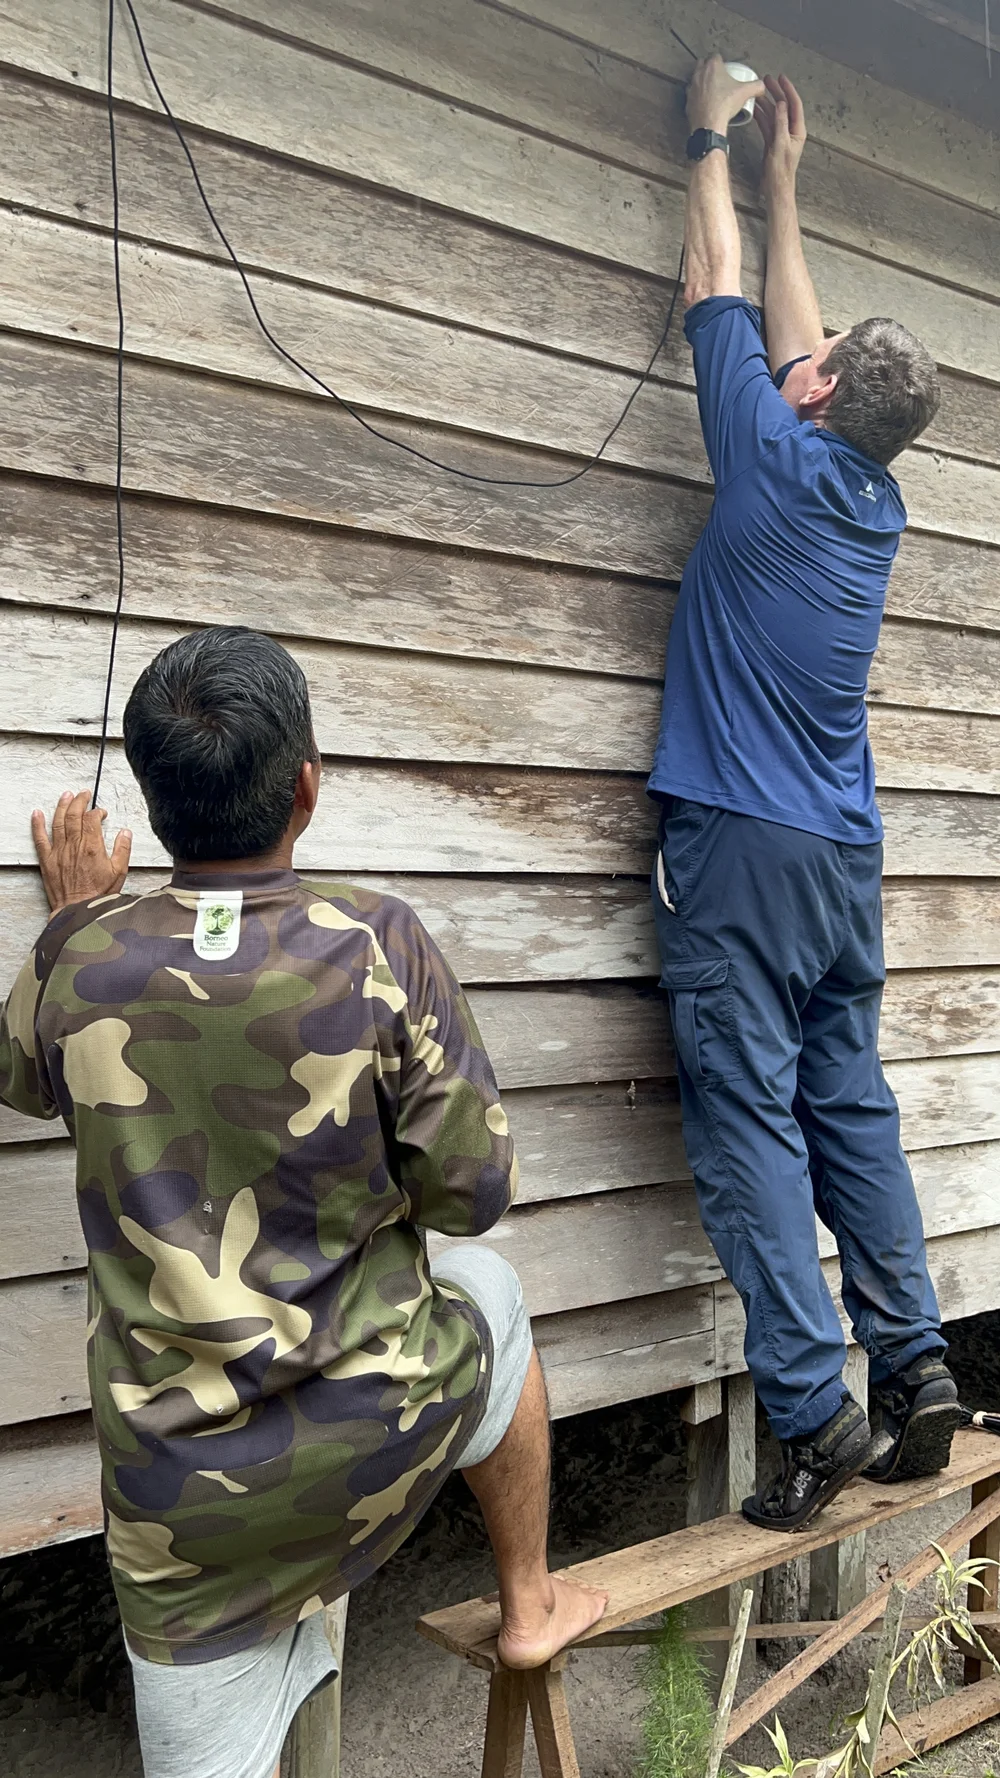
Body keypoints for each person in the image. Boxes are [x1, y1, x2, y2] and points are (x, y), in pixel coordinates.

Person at [0, 627, 607, 1778]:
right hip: (374, 1436)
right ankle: (528, 1599)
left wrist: (72, 918)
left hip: (184, 1524)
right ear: (309, 786)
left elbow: (23, 1073)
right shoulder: (381, 943)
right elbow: (472, 1196)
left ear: (152, 793)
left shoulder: (79, 959)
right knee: (493, 1287)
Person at [649, 57, 961, 1531]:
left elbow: (718, 281)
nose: (800, 351)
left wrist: (710, 138)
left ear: (818, 393)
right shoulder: (873, 495)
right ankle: (914, 1364)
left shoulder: (767, 453)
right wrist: (794, 181)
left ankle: (810, 1408)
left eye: (816, 356)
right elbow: (799, 332)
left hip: (743, 852)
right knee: (851, 1101)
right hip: (843, 857)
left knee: (752, 1122)